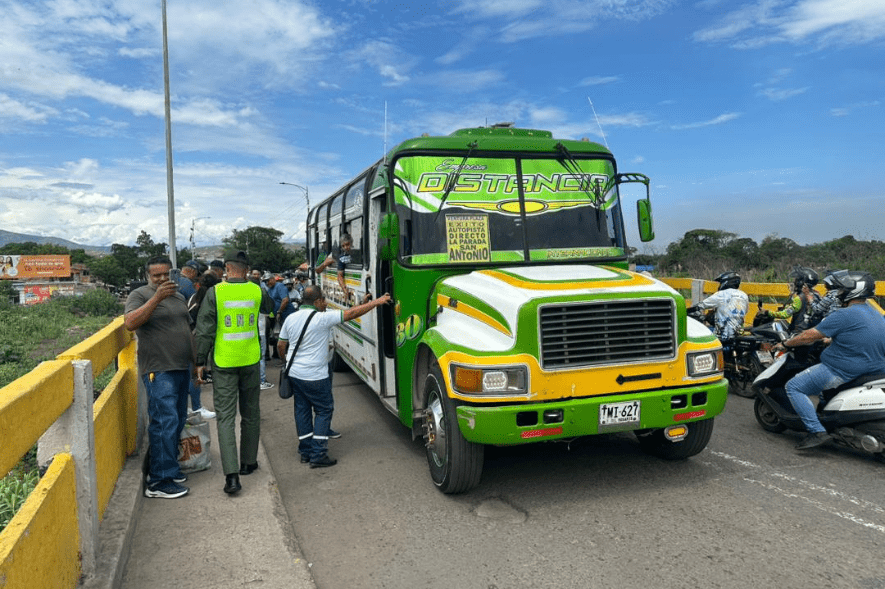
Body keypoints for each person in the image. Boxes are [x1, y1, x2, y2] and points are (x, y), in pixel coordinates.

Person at [277, 285, 391, 467]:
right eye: (323, 299)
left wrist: (287, 362)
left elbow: (281, 346)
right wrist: (377, 302)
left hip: (295, 374)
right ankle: (318, 455)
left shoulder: (291, 318)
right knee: (323, 411)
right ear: (316, 302)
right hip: (315, 375)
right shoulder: (321, 319)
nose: (326, 302)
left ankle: (305, 451)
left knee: (302, 410)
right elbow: (351, 315)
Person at [773, 271, 885, 450]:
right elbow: (863, 337)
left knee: (794, 387)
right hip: (874, 370)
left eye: (842, 290)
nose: (839, 293)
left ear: (853, 291)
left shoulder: (845, 314)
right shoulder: (877, 315)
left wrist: (786, 343)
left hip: (842, 370)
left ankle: (816, 431)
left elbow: (809, 335)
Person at [194, 250, 273, 494]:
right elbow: (269, 309)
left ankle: (232, 477)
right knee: (251, 413)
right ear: (247, 269)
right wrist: (257, 285)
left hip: (224, 361)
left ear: (227, 269)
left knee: (226, 418)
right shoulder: (256, 290)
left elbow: (205, 329)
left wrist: (199, 361)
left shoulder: (215, 292)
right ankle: (249, 462)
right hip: (250, 360)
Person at [124, 255, 194, 499]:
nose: (163, 279)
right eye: (157, 275)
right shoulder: (141, 295)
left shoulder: (179, 296)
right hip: (158, 368)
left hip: (181, 366)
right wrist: (156, 298)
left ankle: (170, 470)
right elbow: (130, 323)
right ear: (148, 276)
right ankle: (159, 481)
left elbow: (187, 330)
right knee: (164, 421)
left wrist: (195, 363)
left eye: (166, 274)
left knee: (176, 419)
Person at [759, 267, 821, 333]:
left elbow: (785, 314)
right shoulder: (817, 295)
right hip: (812, 330)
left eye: (797, 280)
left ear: (801, 282)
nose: (795, 282)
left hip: (798, 332)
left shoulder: (799, 298)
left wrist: (767, 312)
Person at [693, 271, 749, 341]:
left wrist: (690, 309)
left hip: (721, 335)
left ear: (726, 282)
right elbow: (745, 311)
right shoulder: (744, 295)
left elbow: (702, 305)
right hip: (738, 333)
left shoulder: (721, 294)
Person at [249, 269, 274, 390]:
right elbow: (269, 308)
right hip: (261, 329)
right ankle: (261, 381)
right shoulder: (261, 293)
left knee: (251, 356)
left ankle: (252, 380)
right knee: (261, 357)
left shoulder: (244, 295)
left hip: (248, 331)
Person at [265, 273, 289, 358]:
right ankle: (276, 353)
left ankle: (283, 355)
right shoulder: (269, 289)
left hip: (284, 314)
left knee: (282, 335)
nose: (267, 283)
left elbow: (285, 300)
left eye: (268, 280)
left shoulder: (279, 286)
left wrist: (279, 312)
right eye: (265, 282)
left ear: (273, 279)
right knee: (275, 335)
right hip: (274, 315)